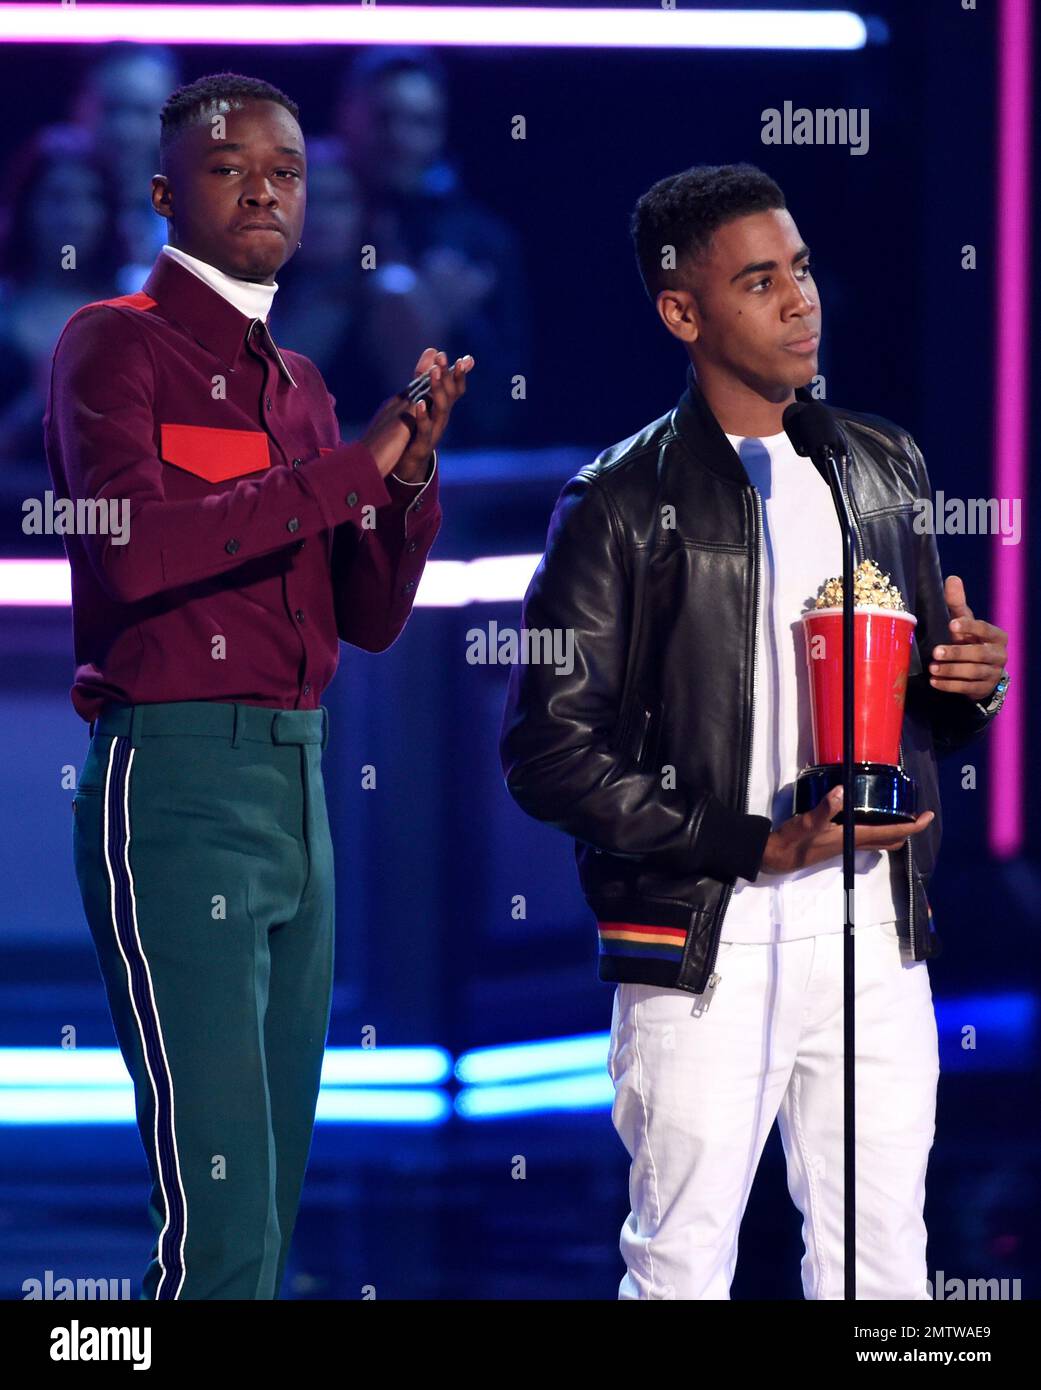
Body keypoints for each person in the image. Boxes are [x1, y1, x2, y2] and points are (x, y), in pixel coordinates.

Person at [498, 162, 1009, 1300]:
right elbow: (547, 749)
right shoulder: (618, 500)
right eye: (762, 280)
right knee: (682, 1267)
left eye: (806, 270)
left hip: (871, 932)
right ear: (683, 313)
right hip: (702, 943)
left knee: (886, 1274)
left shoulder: (883, 463)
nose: (801, 301)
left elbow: (925, 702)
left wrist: (971, 684)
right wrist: (750, 842)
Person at [44, 71, 473, 1300]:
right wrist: (352, 471)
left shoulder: (301, 385)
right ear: (167, 189)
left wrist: (405, 481)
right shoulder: (111, 344)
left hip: (301, 783)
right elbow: (135, 548)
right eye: (233, 169)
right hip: (174, 780)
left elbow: (373, 617)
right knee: (220, 1223)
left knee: (269, 1211)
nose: (266, 190)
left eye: (286, 170)